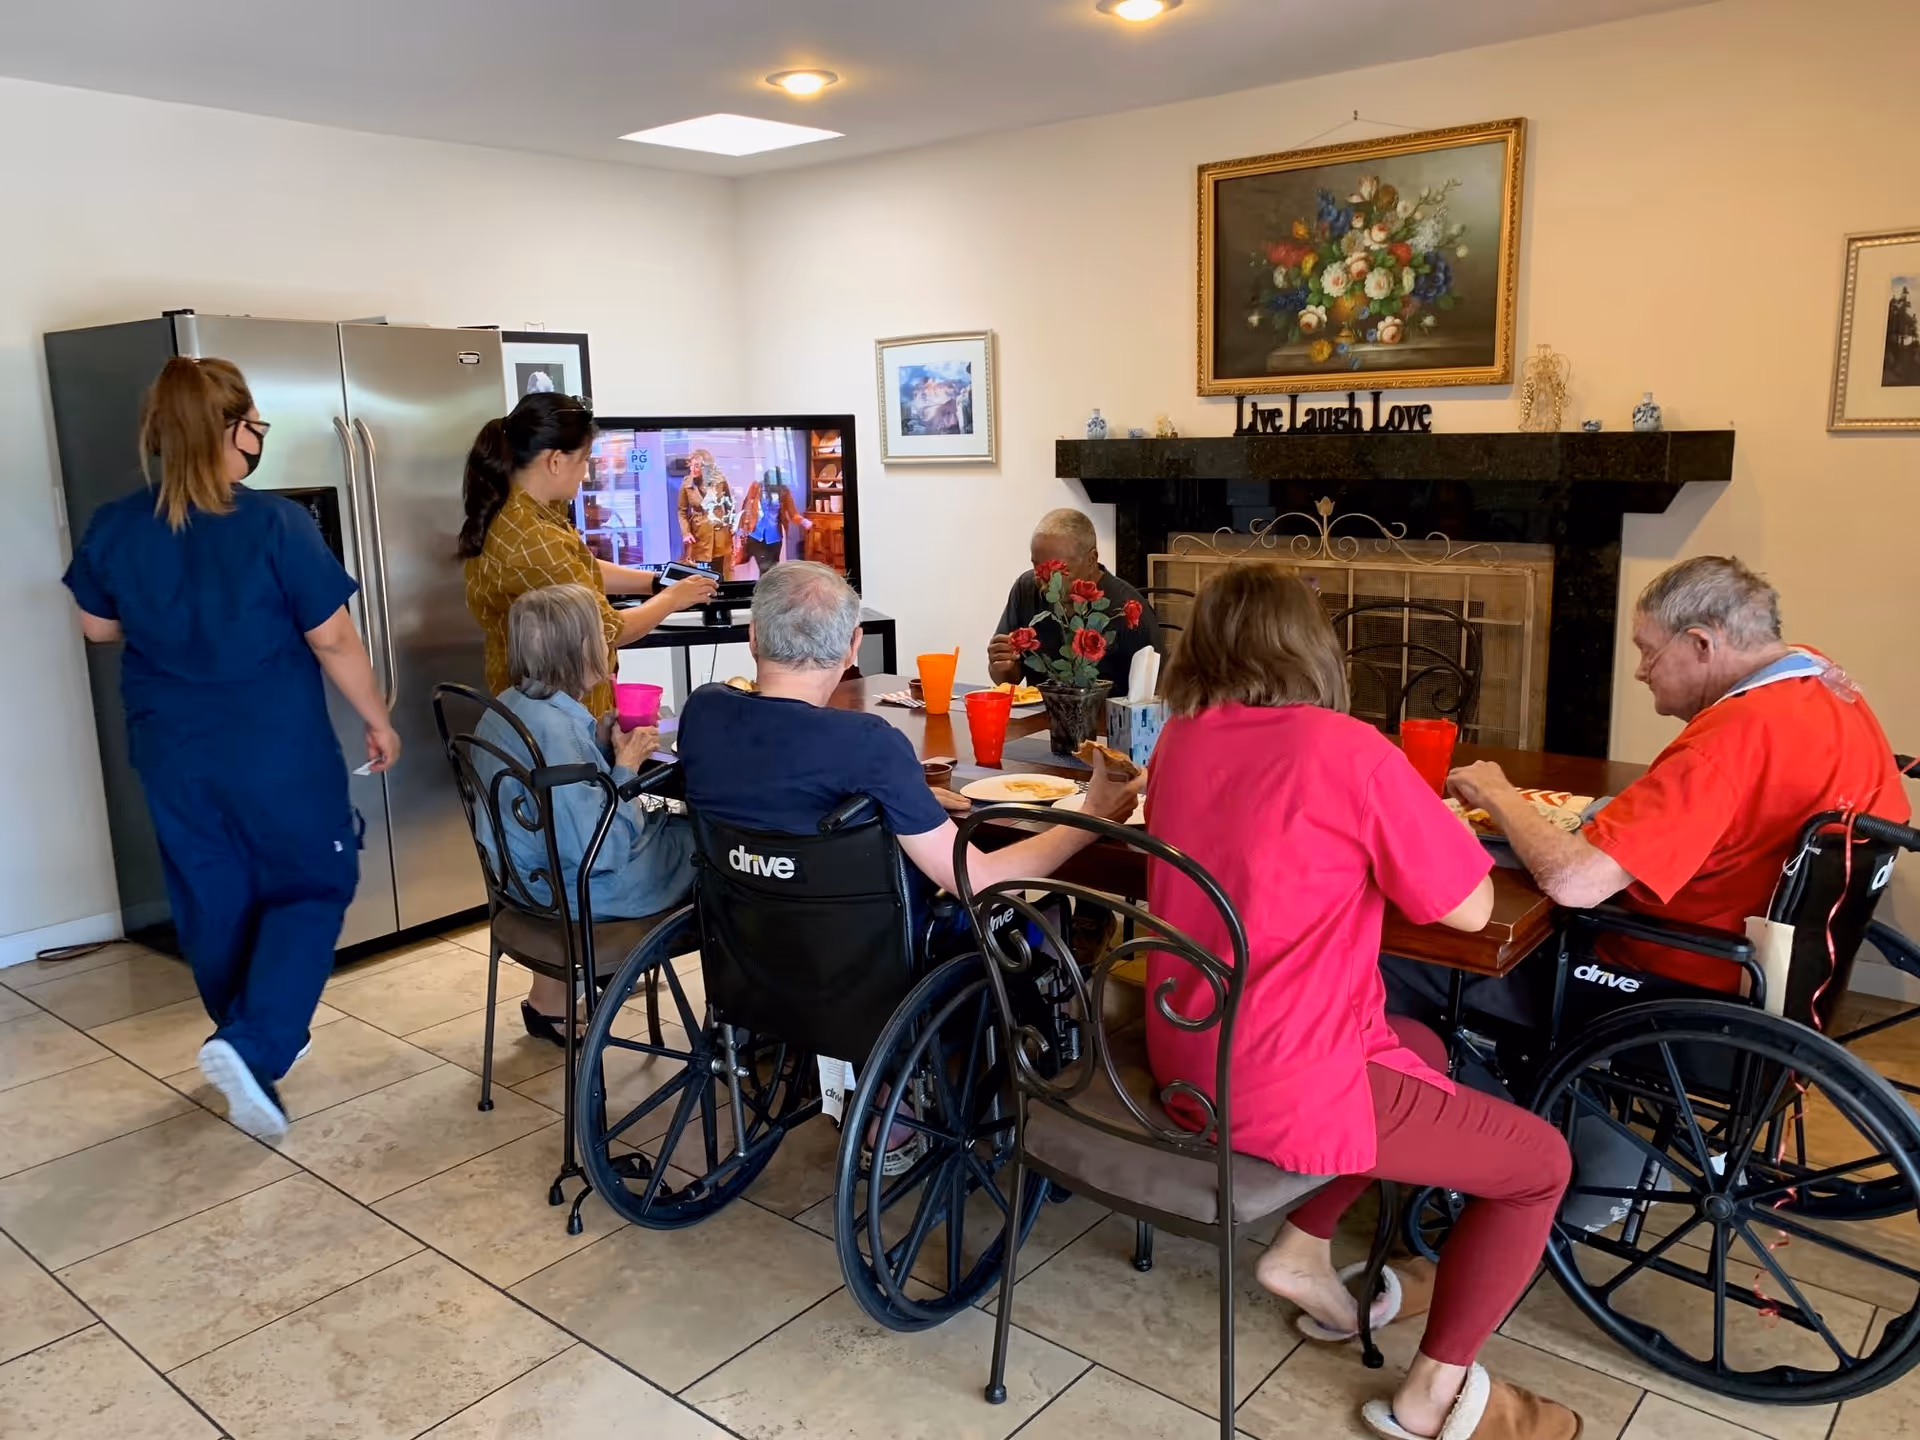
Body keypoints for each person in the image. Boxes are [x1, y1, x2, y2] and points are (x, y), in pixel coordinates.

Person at [1142, 565, 1577, 1440]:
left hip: (1189, 1049)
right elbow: (1470, 909)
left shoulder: (1179, 738)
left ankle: (1302, 1249)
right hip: (1283, 1080)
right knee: (1540, 1168)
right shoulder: (1349, 751)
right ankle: (1435, 1397)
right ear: (1311, 644)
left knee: (1414, 1037)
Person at [62, 357, 399, 1141]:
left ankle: (248, 1033)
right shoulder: (275, 523)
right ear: (232, 430)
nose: (258, 443)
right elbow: (334, 637)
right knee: (317, 879)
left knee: (213, 894)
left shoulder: (115, 524)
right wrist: (378, 718)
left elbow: (97, 627)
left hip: (172, 749)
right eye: (257, 428)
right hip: (272, 745)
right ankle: (251, 1042)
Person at [1419, 556, 1911, 1008]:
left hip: (1670, 977)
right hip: (1788, 980)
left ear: (1701, 643)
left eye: (1648, 652)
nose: (1639, 672)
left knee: (1423, 959)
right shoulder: (1827, 683)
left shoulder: (1726, 742)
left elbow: (1575, 882)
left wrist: (1499, 794)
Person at [678, 560, 1142, 912]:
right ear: (852, 646)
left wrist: (894, 792)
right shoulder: (866, 743)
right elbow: (979, 881)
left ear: (753, 637)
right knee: (1040, 907)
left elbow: (783, 776)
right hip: (860, 968)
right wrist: (1091, 816)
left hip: (746, 952)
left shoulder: (703, 710)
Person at [473, 585, 695, 1042]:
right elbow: (601, 851)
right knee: (713, 845)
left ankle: (551, 1001)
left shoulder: (509, 707)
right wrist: (626, 766)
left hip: (521, 884)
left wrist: (598, 741)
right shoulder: (561, 738)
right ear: (579, 651)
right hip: (576, 892)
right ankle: (744, 1024)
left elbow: (556, 797)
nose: (608, 645)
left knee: (675, 831)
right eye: (600, 635)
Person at [461, 394, 715, 720]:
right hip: (554, 712)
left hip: (554, 700)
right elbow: (608, 631)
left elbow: (578, 568)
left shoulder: (528, 512)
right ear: (555, 461)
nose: (585, 475)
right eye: (585, 461)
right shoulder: (530, 537)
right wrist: (672, 599)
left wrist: (655, 581)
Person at [988, 509, 1161, 690]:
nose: (1042, 579)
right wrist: (1001, 665)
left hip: (1107, 716)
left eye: (1056, 570)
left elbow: (1157, 693)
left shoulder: (1128, 608)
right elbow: (1006, 681)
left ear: (1091, 560)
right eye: (1036, 566)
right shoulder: (1026, 589)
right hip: (1038, 714)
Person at [676, 448, 735, 581]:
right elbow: (682, 511)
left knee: (721, 573)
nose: (692, 469)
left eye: (696, 466)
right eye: (691, 465)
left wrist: (732, 526)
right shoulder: (686, 484)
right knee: (700, 573)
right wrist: (686, 533)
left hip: (720, 533)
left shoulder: (719, 481)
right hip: (699, 534)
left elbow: (729, 505)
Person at [738, 466, 808, 577]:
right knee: (765, 568)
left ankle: (768, 591)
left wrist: (804, 522)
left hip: (775, 538)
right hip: (757, 536)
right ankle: (761, 592)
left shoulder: (784, 492)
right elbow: (746, 509)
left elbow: (793, 513)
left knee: (773, 570)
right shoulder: (756, 487)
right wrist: (741, 530)